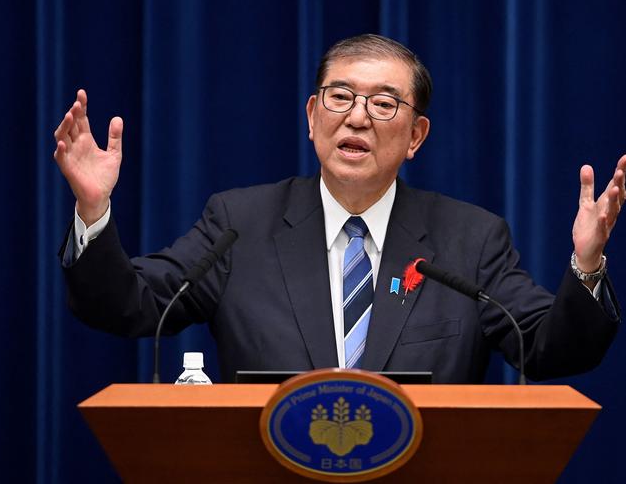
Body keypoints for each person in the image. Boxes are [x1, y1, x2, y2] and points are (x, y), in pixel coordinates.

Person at [54, 34, 624, 383]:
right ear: (311, 115)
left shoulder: (469, 240)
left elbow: (548, 350)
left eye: (383, 103)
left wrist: (588, 266)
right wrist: (92, 209)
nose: (357, 117)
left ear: (416, 135)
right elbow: (130, 307)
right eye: (341, 96)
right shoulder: (238, 225)